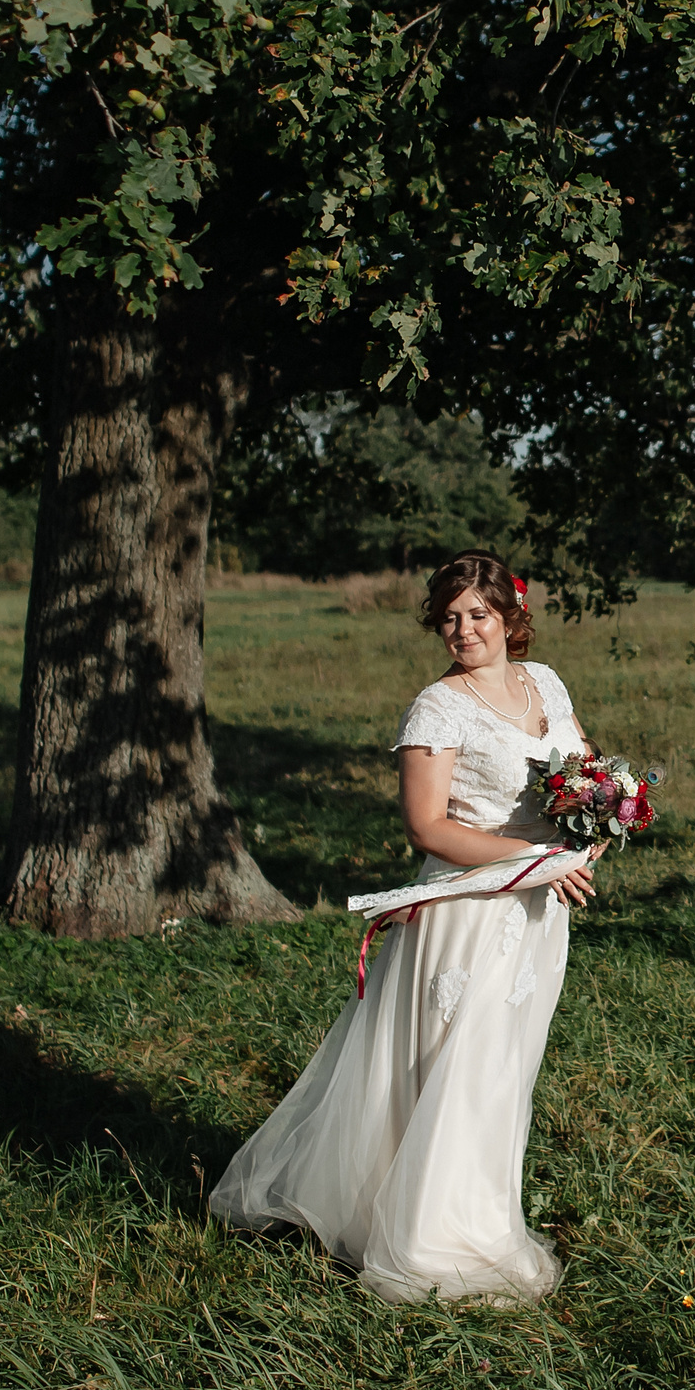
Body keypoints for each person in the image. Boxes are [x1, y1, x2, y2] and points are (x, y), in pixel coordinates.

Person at [209, 549, 603, 1302]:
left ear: (510, 617)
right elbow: (428, 828)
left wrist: (598, 821)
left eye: (478, 615)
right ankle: (431, 1241)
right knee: (455, 1067)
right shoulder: (437, 707)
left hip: (537, 913)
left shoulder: (546, 682)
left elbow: (581, 770)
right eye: (450, 617)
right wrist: (539, 858)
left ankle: (478, 1214)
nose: (463, 630)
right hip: (466, 910)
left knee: (503, 1072)